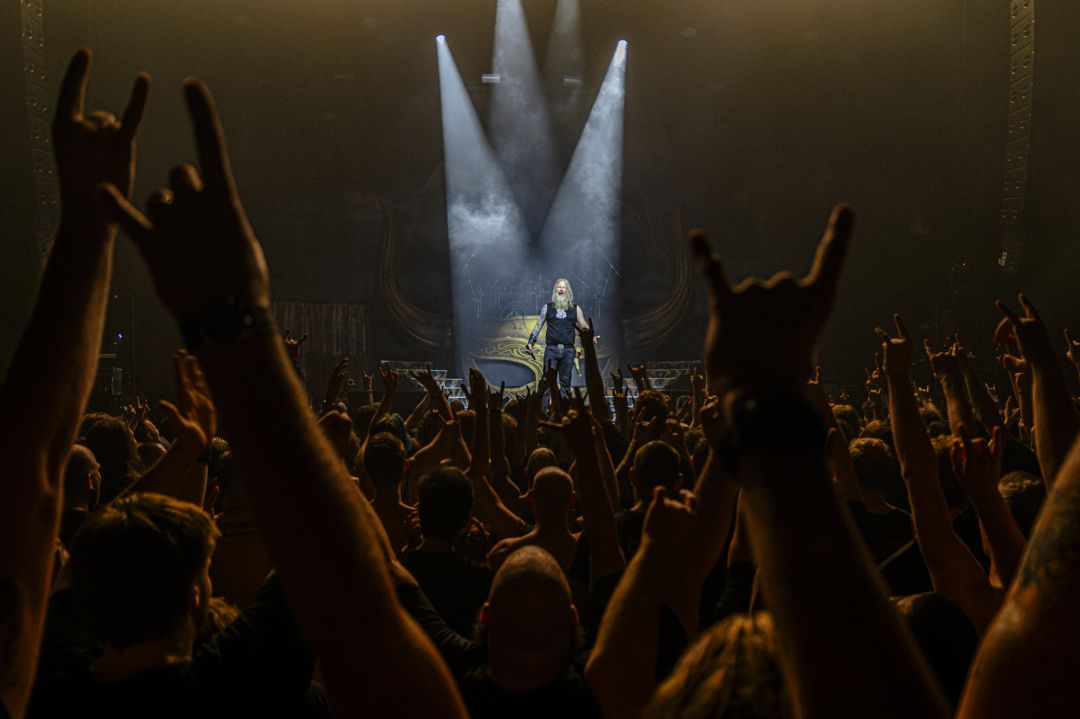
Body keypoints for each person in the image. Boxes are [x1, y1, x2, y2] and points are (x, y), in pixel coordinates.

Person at [526, 279, 591, 396]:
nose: (561, 289)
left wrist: (591, 335)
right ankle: (545, 411)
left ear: (568, 291)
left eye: (564, 287)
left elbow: (584, 325)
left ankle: (563, 411)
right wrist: (531, 342)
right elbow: (538, 325)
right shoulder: (547, 307)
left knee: (565, 383)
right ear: (555, 290)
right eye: (559, 287)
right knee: (547, 382)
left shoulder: (575, 309)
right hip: (551, 350)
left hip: (568, 351)